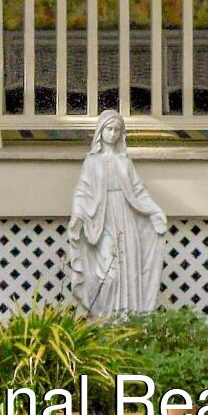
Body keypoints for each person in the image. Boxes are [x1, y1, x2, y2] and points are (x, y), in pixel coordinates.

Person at [69, 105, 168, 319]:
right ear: (101, 132)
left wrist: (154, 213)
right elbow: (82, 191)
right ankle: (103, 318)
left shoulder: (125, 163)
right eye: (109, 129)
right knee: (108, 274)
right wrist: (77, 217)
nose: (112, 134)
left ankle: (126, 319)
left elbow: (139, 192)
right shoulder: (92, 162)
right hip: (102, 220)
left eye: (116, 130)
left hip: (125, 217)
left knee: (128, 270)